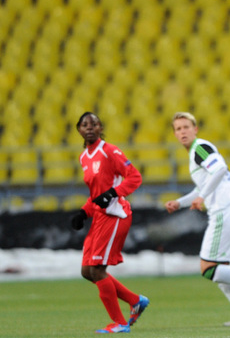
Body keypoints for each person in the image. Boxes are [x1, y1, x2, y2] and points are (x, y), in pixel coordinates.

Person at [165, 112, 230, 327]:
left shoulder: (199, 147)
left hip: (225, 210)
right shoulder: (196, 153)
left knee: (208, 268)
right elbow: (204, 185)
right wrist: (180, 202)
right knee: (220, 269)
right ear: (175, 134)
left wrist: (202, 197)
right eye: (178, 129)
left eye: (186, 127)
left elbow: (220, 169)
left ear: (195, 129)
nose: (182, 131)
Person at [70, 112, 149, 334]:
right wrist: (84, 213)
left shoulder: (109, 151)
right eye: (85, 124)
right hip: (99, 216)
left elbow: (135, 177)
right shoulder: (84, 157)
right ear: (79, 129)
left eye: (94, 124)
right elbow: (96, 193)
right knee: (87, 271)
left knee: (97, 270)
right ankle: (135, 300)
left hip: (115, 215)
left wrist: (113, 193)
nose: (89, 127)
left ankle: (120, 323)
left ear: (100, 128)